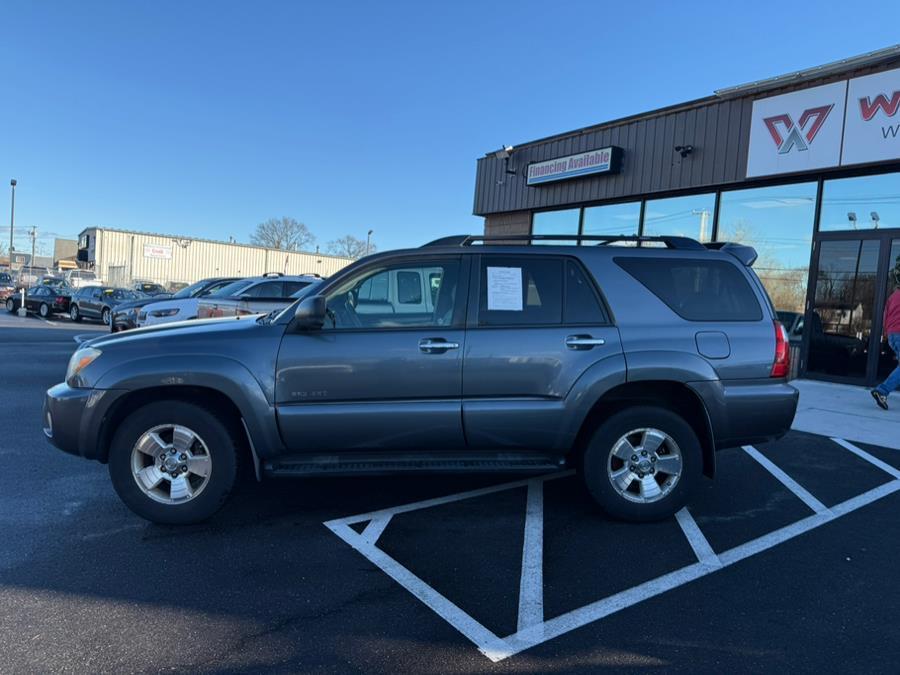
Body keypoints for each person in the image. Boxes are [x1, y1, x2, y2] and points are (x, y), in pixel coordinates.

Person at [872, 264, 900, 410]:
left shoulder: (892, 297)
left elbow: (885, 316)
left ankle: (883, 390)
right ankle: (882, 390)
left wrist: (885, 333)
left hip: (892, 336)